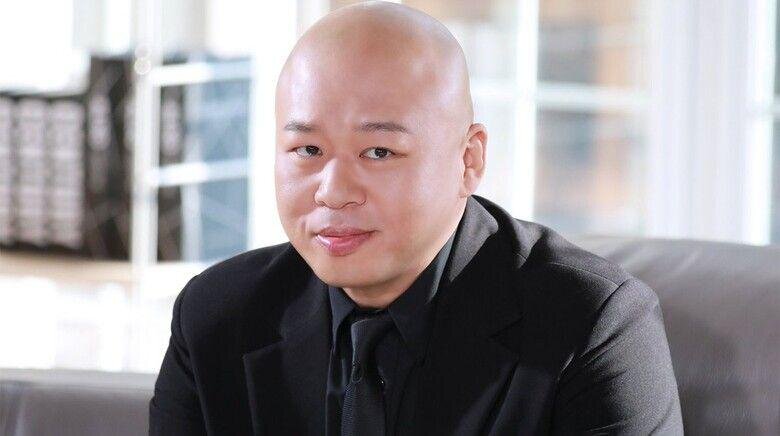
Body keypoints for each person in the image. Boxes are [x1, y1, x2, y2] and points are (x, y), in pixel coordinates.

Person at [149, 1, 683, 435]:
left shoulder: (593, 325)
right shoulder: (216, 317)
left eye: (378, 152)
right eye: (307, 149)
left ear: (469, 160)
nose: (333, 192)